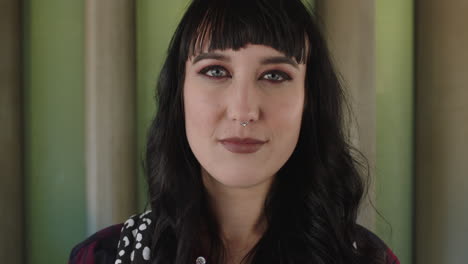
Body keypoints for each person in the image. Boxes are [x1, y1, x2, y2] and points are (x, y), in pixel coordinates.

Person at [69, 0, 400, 263]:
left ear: (309, 102)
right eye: (215, 71)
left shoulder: (365, 259)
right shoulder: (105, 257)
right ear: (179, 95)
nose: (243, 111)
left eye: (274, 75)